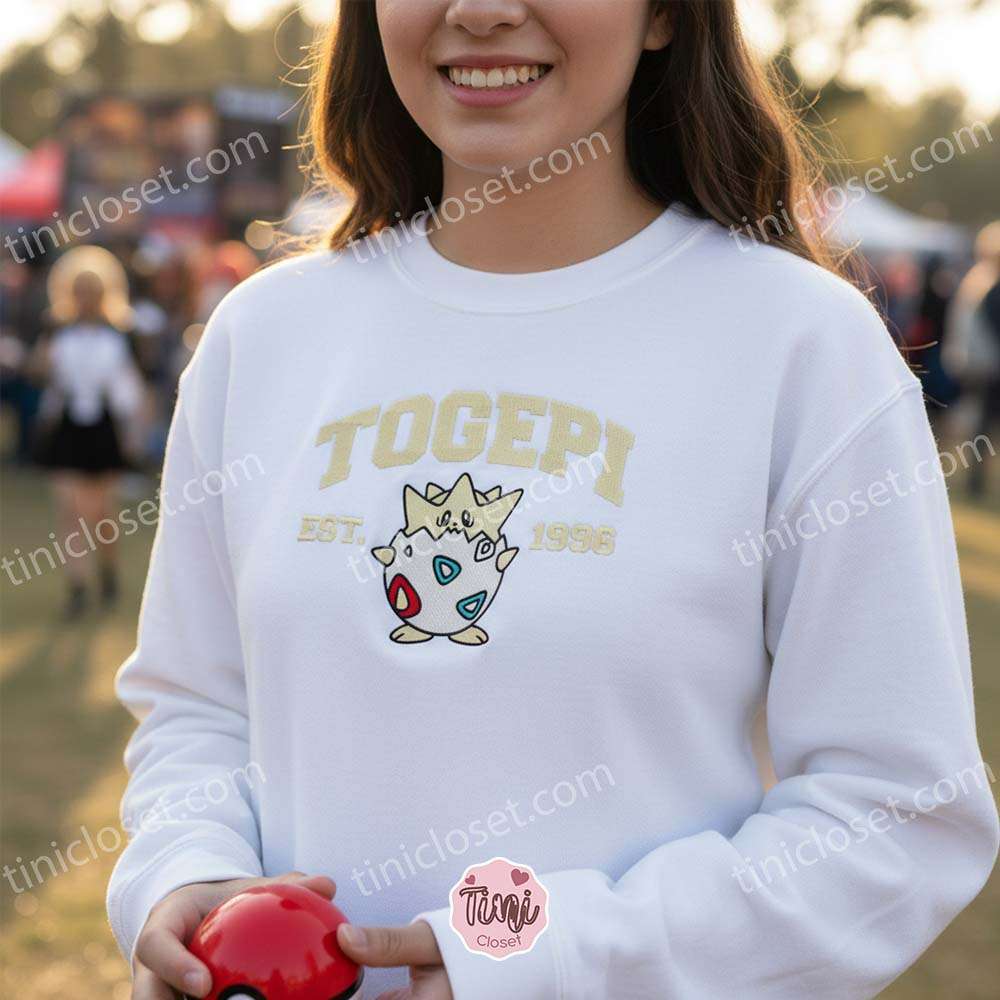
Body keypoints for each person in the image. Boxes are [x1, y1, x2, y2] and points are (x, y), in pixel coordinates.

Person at [109, 3, 999, 999]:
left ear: (664, 16)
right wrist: (185, 869)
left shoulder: (804, 345)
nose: (481, 11)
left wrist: (541, 955)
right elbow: (196, 707)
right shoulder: (265, 335)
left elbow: (896, 814)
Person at [34, 246, 142, 618]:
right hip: (68, 426)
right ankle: (77, 587)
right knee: (70, 510)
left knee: (101, 513)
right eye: (79, 291)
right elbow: (41, 374)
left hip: (104, 427)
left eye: (92, 292)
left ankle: (107, 571)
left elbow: (131, 388)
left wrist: (132, 433)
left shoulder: (121, 334)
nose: (85, 299)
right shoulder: (57, 331)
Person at [945, 221, 1000, 496]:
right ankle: (975, 481)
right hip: (989, 363)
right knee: (982, 424)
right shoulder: (991, 283)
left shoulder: (977, 277)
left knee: (979, 423)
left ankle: (974, 479)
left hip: (975, 360)